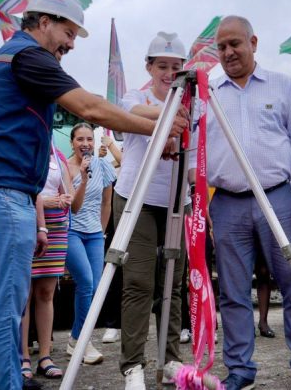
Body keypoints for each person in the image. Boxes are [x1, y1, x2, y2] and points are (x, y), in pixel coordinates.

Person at [0, 0, 186, 389]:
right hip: (4, 194)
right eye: (68, 32)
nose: (72, 43)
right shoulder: (30, 57)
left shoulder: (3, 58)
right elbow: (91, 108)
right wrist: (161, 128)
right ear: (44, 22)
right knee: (4, 308)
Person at [207, 16, 291, 390]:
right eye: (221, 46)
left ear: (253, 42)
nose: (228, 53)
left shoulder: (283, 86)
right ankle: (240, 368)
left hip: (279, 197)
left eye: (235, 44)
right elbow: (196, 151)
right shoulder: (208, 93)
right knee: (233, 290)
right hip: (227, 203)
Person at [111, 32, 188, 389]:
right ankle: (133, 365)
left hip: (176, 201)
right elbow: (131, 112)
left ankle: (170, 359)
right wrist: (169, 117)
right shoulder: (136, 96)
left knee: (172, 283)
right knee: (139, 282)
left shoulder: (192, 102)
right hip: (136, 200)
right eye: (162, 66)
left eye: (176, 67)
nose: (169, 73)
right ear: (149, 67)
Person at [65, 123, 115, 364]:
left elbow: (107, 203)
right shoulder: (66, 167)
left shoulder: (103, 166)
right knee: (84, 281)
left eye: (89, 139)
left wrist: (102, 233)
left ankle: (76, 339)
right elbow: (71, 205)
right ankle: (83, 342)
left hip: (94, 233)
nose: (85, 144)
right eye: (80, 139)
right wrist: (82, 178)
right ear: (72, 142)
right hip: (71, 230)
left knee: (95, 288)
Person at [21, 148, 73, 380]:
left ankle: (45, 356)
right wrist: (46, 201)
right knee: (24, 295)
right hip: (25, 221)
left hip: (56, 226)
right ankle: (22, 356)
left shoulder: (56, 155)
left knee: (46, 293)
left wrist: (63, 199)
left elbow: (69, 193)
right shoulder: (20, 149)